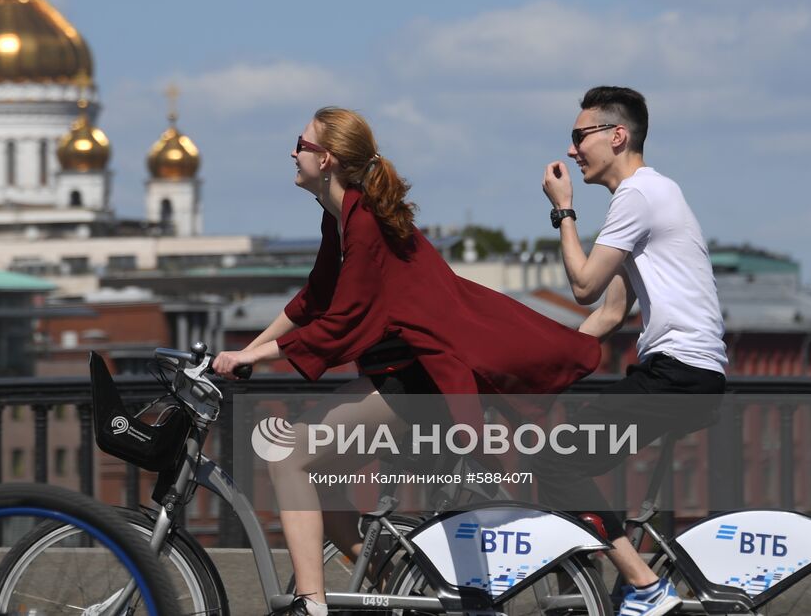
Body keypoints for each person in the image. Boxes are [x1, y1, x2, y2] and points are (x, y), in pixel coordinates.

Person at [212, 107, 600, 616]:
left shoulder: (364, 220)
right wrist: (248, 351)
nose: (293, 151)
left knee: (287, 457)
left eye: (300, 143)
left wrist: (255, 356)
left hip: (421, 381)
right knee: (320, 478)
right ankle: (395, 590)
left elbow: (344, 319)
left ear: (326, 159)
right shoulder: (342, 215)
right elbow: (314, 299)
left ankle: (311, 603)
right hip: (405, 378)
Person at [537, 86, 727, 616]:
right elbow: (609, 314)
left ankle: (644, 585)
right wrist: (541, 364)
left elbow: (583, 287)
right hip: (688, 373)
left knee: (554, 461)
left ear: (616, 136)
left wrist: (564, 211)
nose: (572, 151)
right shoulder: (651, 196)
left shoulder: (638, 196)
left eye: (580, 137)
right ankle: (627, 583)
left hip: (677, 372)